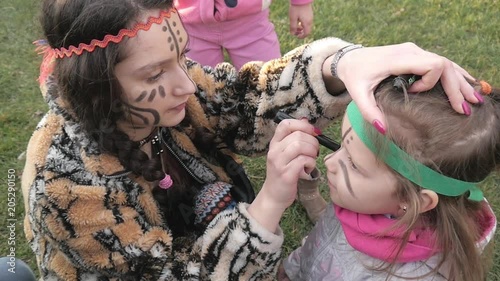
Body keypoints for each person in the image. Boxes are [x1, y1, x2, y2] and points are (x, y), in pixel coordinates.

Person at [22, 0, 479, 279]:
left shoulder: (169, 95)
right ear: (95, 84)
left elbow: (244, 99)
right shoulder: (64, 182)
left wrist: (338, 67)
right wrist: (266, 208)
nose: (187, 84)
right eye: (154, 72)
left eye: (182, 57)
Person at [278, 76, 497, 281]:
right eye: (341, 146)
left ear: (414, 201)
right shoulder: (360, 197)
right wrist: (294, 267)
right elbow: (322, 238)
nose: (329, 162)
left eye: (354, 164)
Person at [174, 0, 314, 69]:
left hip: (251, 23)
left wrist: (300, 4)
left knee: (268, 83)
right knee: (198, 90)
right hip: (191, 25)